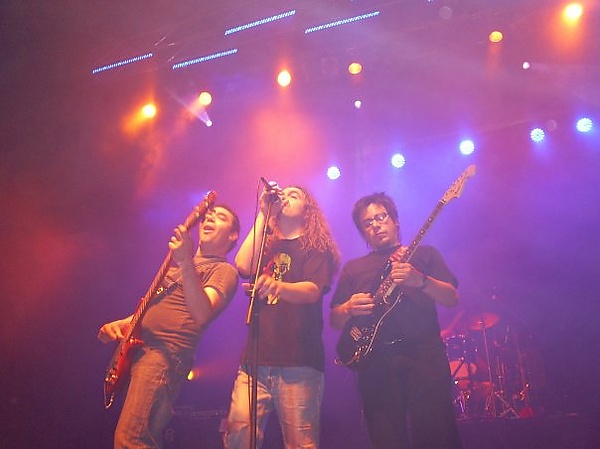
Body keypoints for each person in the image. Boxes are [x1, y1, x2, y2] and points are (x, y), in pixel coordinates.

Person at [98, 205, 240, 448]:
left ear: (233, 235)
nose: (210, 217)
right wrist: (123, 324)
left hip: (164, 356)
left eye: (220, 217)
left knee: (131, 438)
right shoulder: (178, 268)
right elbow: (155, 311)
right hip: (141, 352)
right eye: (208, 215)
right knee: (134, 437)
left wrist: (185, 262)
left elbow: (202, 313)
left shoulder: (223, 270)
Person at [329, 192, 462, 449]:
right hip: (375, 363)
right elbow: (334, 320)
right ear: (363, 232)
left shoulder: (425, 254)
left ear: (395, 221)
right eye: (368, 222)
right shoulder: (353, 268)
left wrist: (420, 281)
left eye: (381, 217)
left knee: (436, 434)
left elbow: (452, 298)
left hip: (424, 355)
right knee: (385, 438)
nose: (376, 225)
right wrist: (347, 308)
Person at [223, 184, 340, 449]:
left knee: (300, 444)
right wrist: (264, 213)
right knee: (238, 438)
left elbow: (312, 291)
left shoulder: (316, 247)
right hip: (255, 361)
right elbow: (242, 265)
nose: (285, 197)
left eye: (294, 195)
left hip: (299, 362)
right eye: (283, 193)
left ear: (307, 209)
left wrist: (278, 287)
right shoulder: (267, 244)